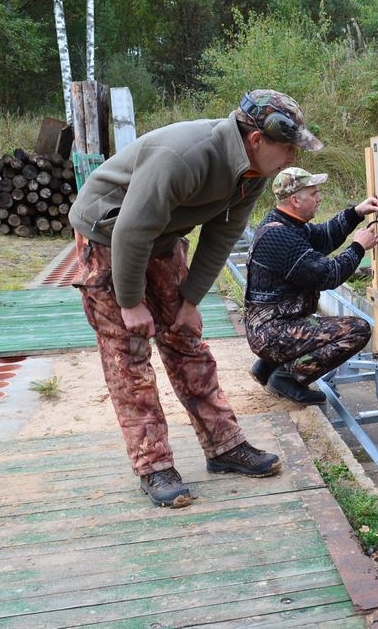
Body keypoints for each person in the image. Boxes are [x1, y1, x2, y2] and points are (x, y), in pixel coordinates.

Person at [68, 90, 323, 508]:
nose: (293, 157)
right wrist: (131, 302)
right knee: (128, 354)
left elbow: (223, 235)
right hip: (108, 234)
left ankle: (224, 445)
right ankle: (154, 465)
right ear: (256, 139)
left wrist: (190, 301)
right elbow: (131, 230)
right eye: (288, 147)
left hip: (162, 235)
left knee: (185, 337)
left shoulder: (254, 171)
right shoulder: (184, 156)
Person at [244, 167, 378, 405]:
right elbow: (327, 276)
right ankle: (286, 378)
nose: (319, 198)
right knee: (357, 330)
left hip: (272, 325)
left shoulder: (284, 223)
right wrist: (358, 247)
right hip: (273, 331)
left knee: (318, 324)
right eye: (313, 193)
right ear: (295, 200)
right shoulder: (280, 237)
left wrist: (356, 213)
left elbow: (323, 236)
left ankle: (269, 365)